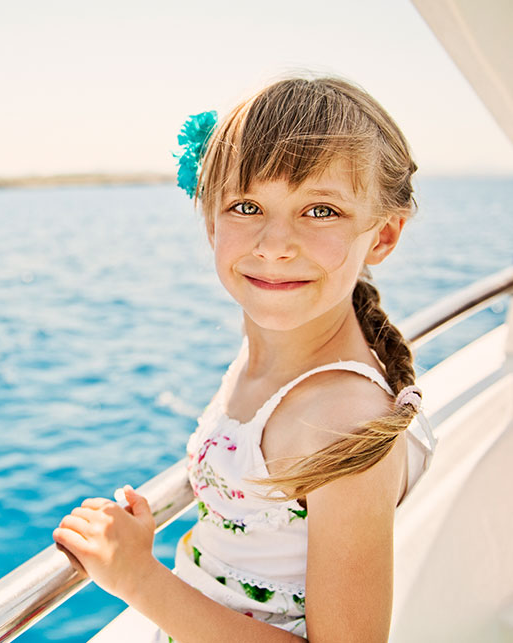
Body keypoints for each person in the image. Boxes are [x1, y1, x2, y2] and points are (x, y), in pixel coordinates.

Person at [52, 76, 436, 641]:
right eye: (248, 205)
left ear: (382, 236)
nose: (275, 243)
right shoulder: (274, 350)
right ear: (211, 220)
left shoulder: (341, 423)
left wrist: (137, 577)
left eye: (321, 210)